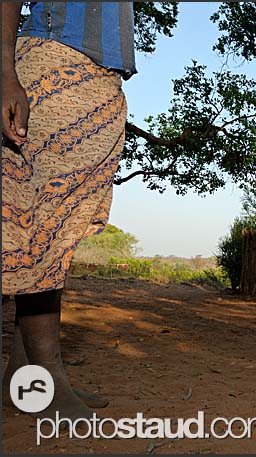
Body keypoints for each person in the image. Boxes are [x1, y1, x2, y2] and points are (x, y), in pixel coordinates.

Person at [2, 2, 136, 420]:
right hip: (55, 66)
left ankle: (23, 378)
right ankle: (48, 379)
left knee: (52, 240)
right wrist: (6, 76)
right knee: (40, 233)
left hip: (97, 82)